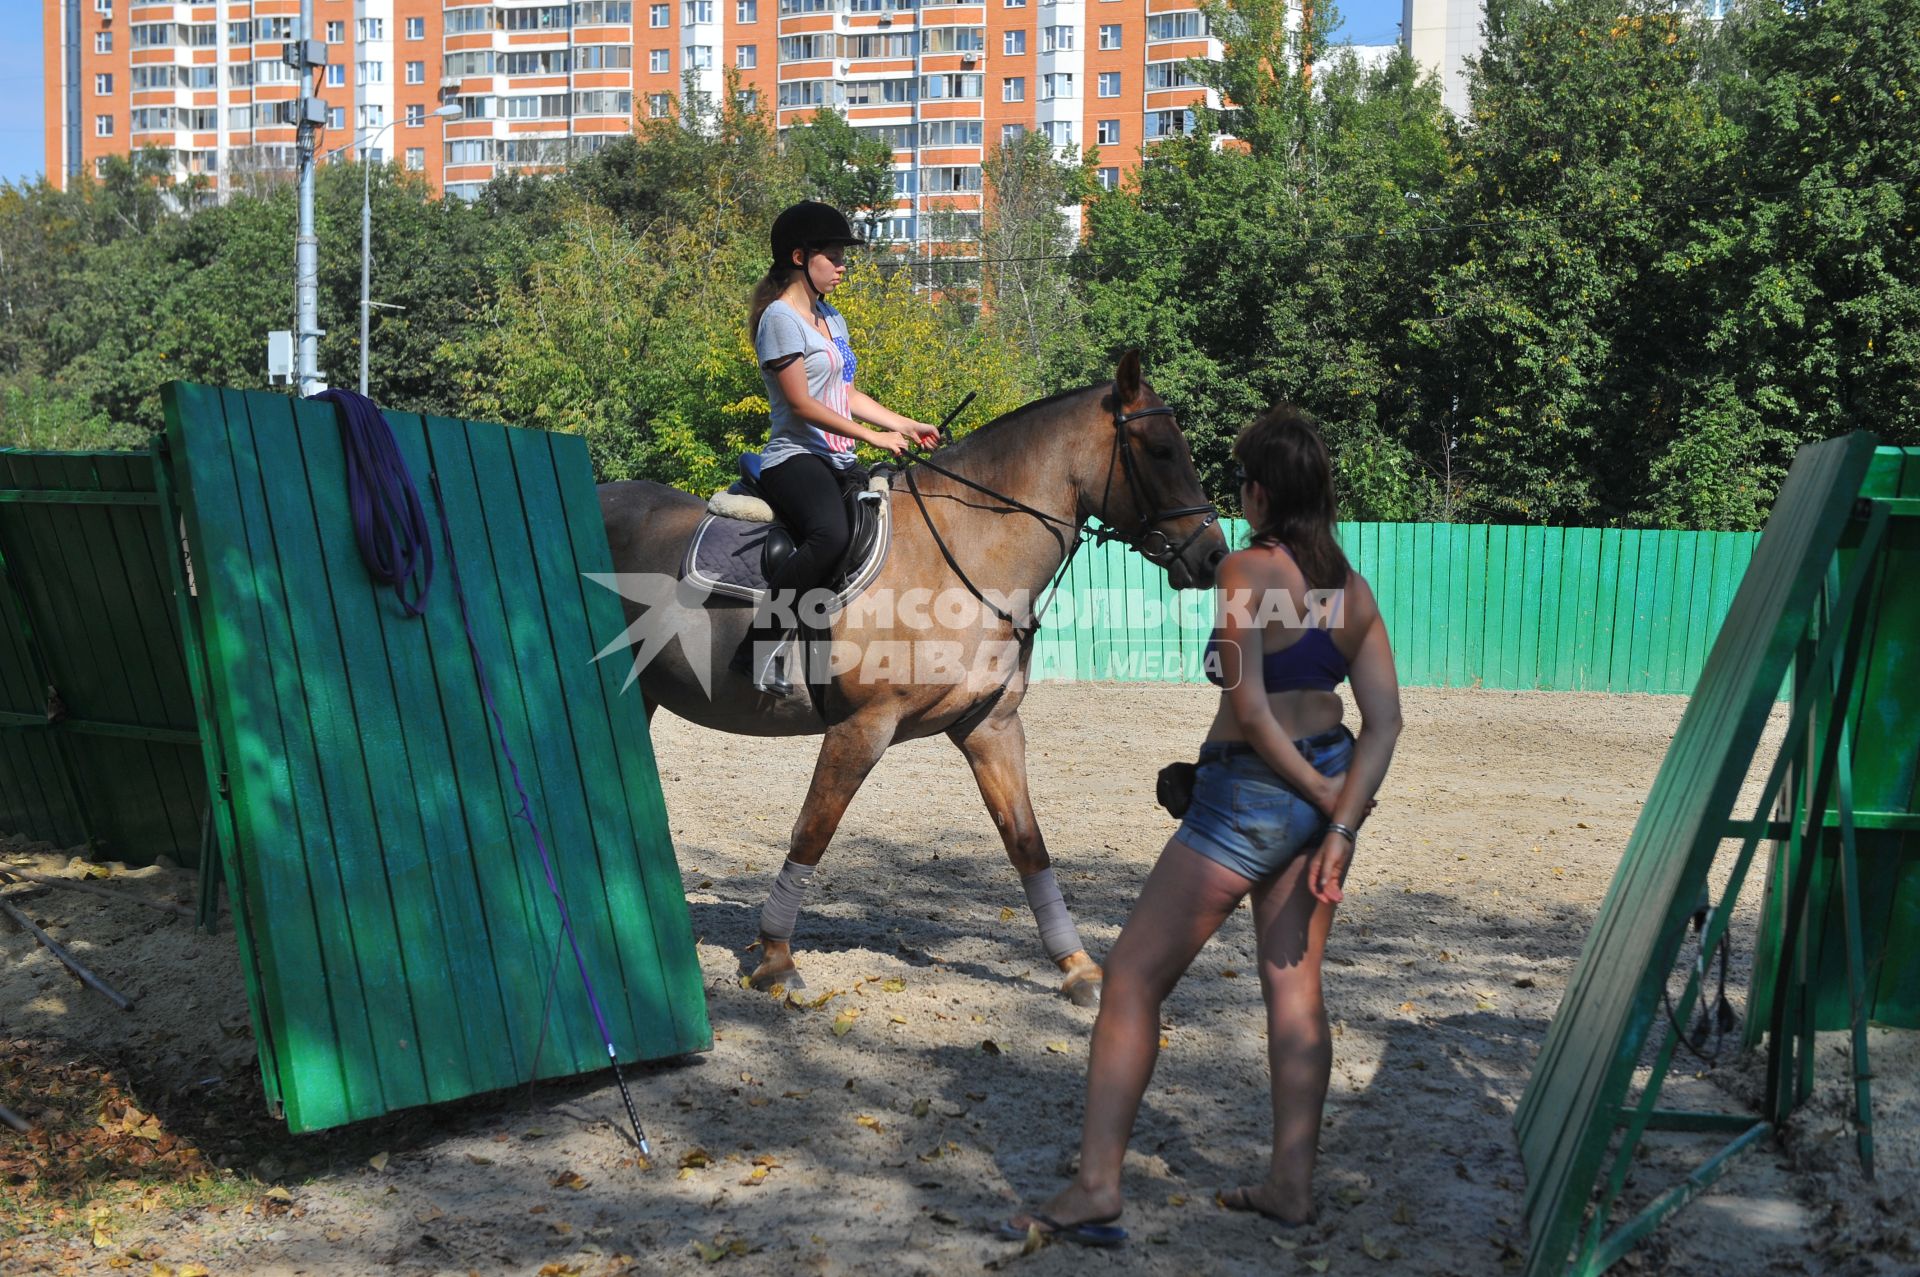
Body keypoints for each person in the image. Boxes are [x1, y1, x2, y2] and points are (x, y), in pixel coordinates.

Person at [1001, 403, 1403, 1245]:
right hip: (1327, 776)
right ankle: (1291, 1185)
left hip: (1252, 796)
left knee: (1132, 980)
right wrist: (1340, 822)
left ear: (1258, 493)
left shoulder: (1246, 572)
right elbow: (1385, 722)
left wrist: (1324, 807)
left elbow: (1251, 712)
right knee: (1294, 990)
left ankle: (1097, 1186)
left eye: (1242, 482)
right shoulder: (1352, 590)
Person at [731, 201, 940, 693]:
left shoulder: (831, 316)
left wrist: (903, 423)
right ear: (801, 257)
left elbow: (844, 392)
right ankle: (757, 648)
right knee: (829, 534)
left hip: (838, 458)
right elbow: (801, 404)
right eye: (835, 255)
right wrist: (871, 437)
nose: (844, 265)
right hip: (795, 458)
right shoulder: (780, 319)